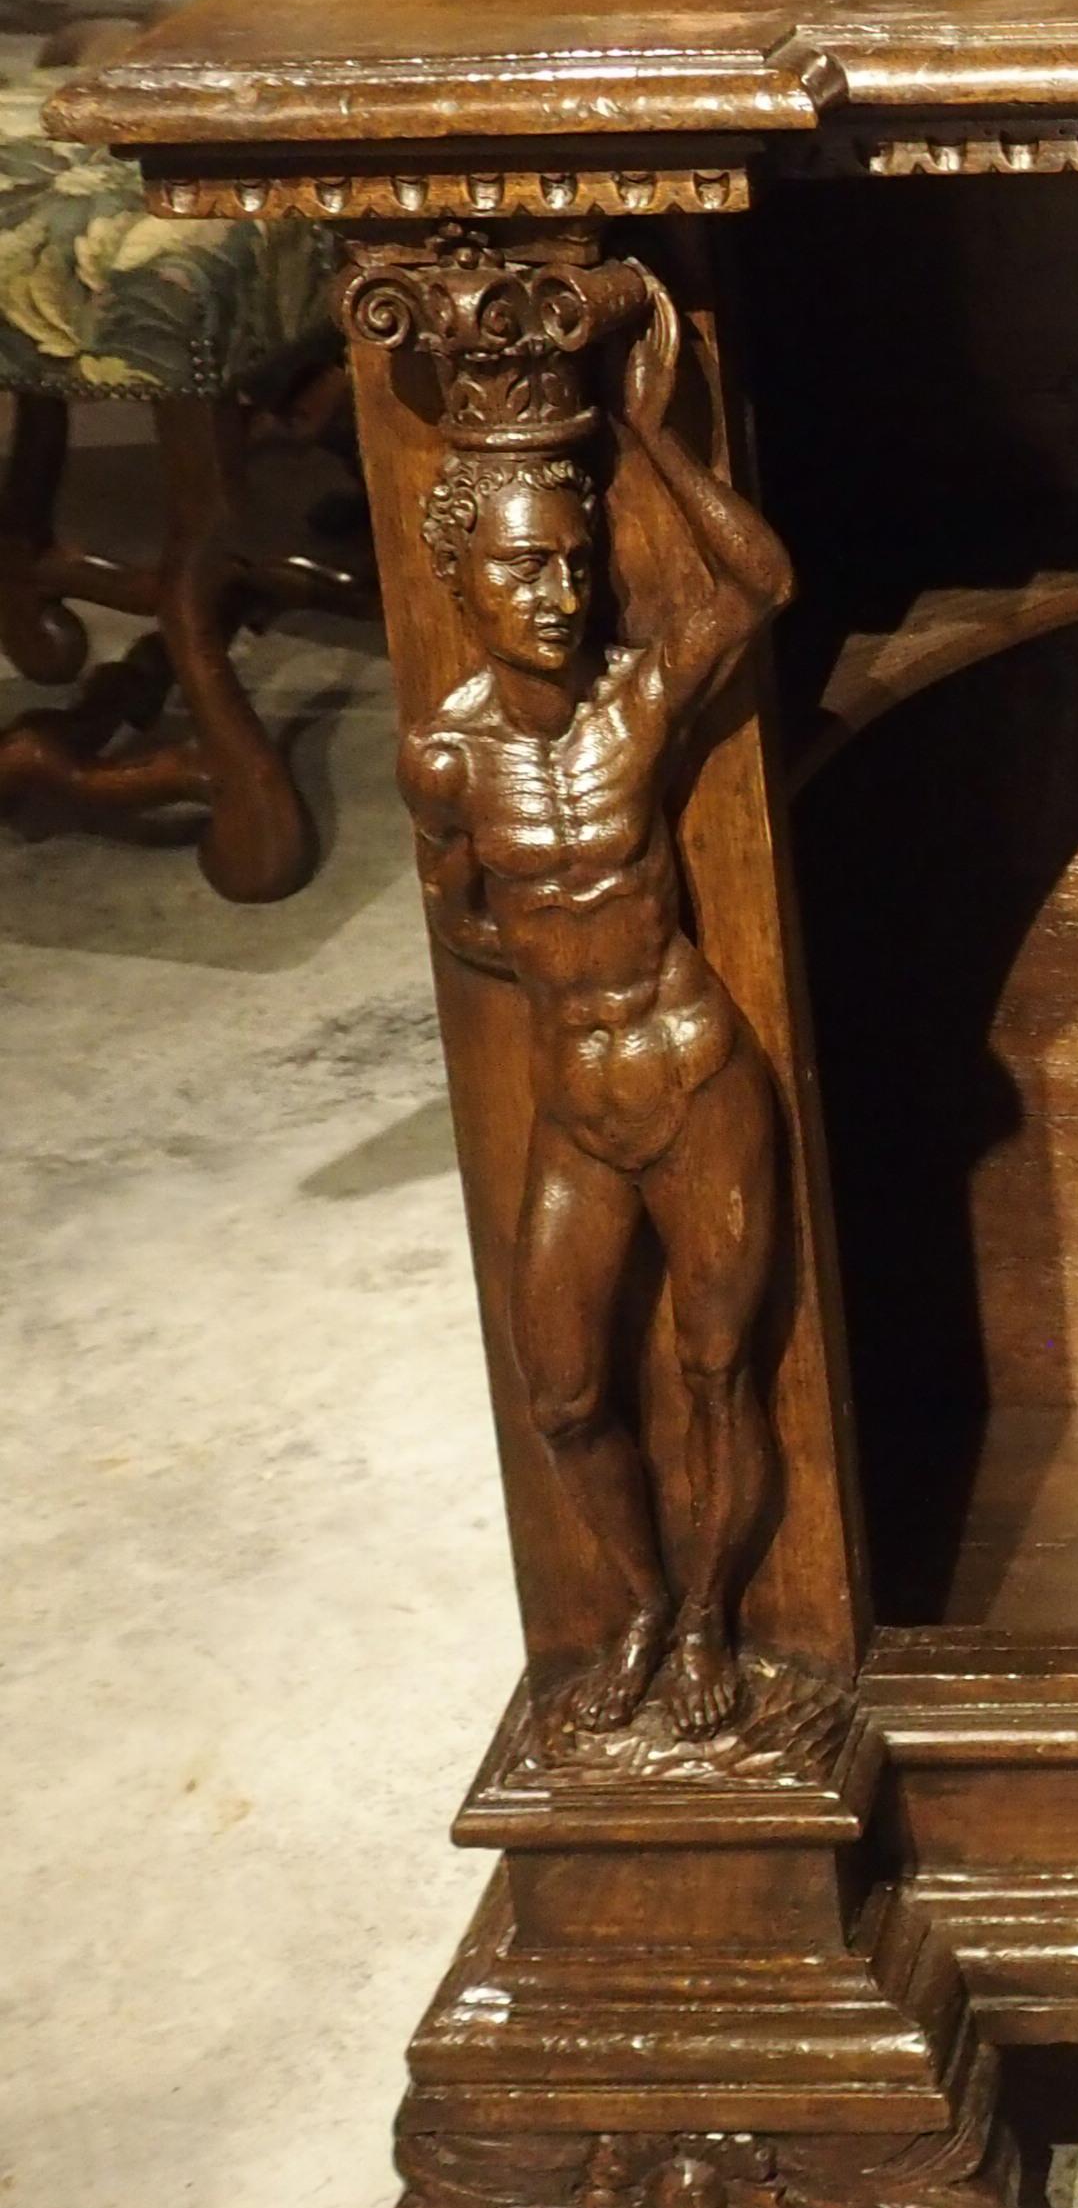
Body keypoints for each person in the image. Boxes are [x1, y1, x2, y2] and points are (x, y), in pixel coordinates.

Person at [396, 283, 794, 1738]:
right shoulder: (443, 761)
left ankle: (707, 1622)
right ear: (467, 588)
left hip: (691, 1073)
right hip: (577, 1103)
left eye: (570, 564)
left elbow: (753, 586)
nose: (557, 593)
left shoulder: (636, 706)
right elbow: (459, 911)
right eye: (524, 575)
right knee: (564, 1392)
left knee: (713, 1367)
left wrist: (647, 433)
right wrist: (554, 983)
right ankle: (630, 1599)